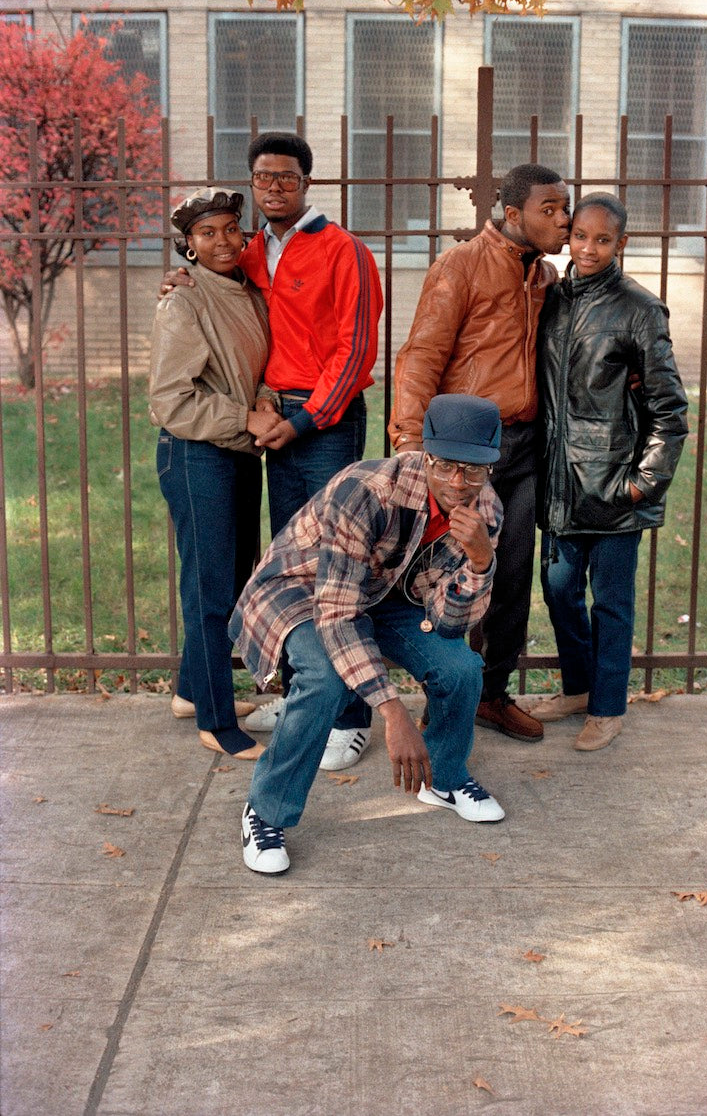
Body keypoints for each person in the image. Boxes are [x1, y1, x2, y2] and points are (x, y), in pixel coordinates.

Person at [161, 132, 383, 771]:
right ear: (253, 184)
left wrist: (308, 419)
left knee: (336, 565)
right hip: (269, 421)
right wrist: (179, 281)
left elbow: (356, 350)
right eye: (264, 177)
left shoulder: (343, 250)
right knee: (289, 569)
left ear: (307, 182)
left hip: (322, 422)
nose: (275, 187)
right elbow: (213, 288)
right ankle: (302, 695)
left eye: (287, 177)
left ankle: (349, 716)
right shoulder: (250, 252)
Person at [230, 394, 507, 875]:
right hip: (303, 586)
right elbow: (338, 612)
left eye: (473, 470)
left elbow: (449, 623)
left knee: (461, 668)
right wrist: (392, 710)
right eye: (444, 466)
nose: (458, 483)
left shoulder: (487, 512)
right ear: (426, 455)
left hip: (382, 591)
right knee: (324, 679)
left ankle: (442, 777)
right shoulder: (367, 491)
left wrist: (481, 562)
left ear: (490, 468)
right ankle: (265, 812)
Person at [388, 163, 571, 743]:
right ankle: (444, 696)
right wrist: (411, 445)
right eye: (549, 209)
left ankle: (490, 695)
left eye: (565, 208)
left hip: (521, 446)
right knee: (449, 572)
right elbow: (421, 356)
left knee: (510, 575)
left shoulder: (544, 275)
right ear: (512, 214)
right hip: (462, 455)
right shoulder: (460, 266)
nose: (563, 220)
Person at [530, 192, 688, 750]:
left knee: (612, 603)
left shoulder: (640, 309)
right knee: (559, 592)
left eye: (603, 239)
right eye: (580, 236)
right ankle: (578, 688)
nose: (589, 248)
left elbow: (669, 410)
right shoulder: (550, 299)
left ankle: (608, 706)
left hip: (616, 484)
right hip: (560, 482)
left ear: (622, 242)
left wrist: (645, 483)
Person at [149, 188, 270, 759]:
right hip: (196, 454)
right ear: (188, 245)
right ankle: (217, 723)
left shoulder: (248, 292)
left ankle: (191, 693)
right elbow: (171, 399)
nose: (222, 241)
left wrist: (264, 401)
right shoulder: (184, 300)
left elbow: (258, 366)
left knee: (231, 579)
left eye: (230, 229)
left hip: (238, 452)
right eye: (206, 233)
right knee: (210, 589)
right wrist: (244, 416)